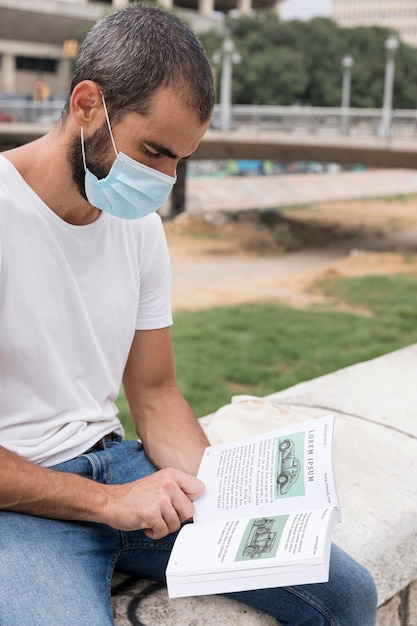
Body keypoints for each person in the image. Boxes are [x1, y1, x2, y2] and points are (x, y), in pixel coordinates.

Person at [0, 4, 377, 625]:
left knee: (346, 594)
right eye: (153, 150)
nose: (165, 180)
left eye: (181, 159)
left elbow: (155, 396)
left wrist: (237, 502)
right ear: (88, 103)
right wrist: (107, 502)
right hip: (25, 501)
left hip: (122, 470)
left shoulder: (139, 229)